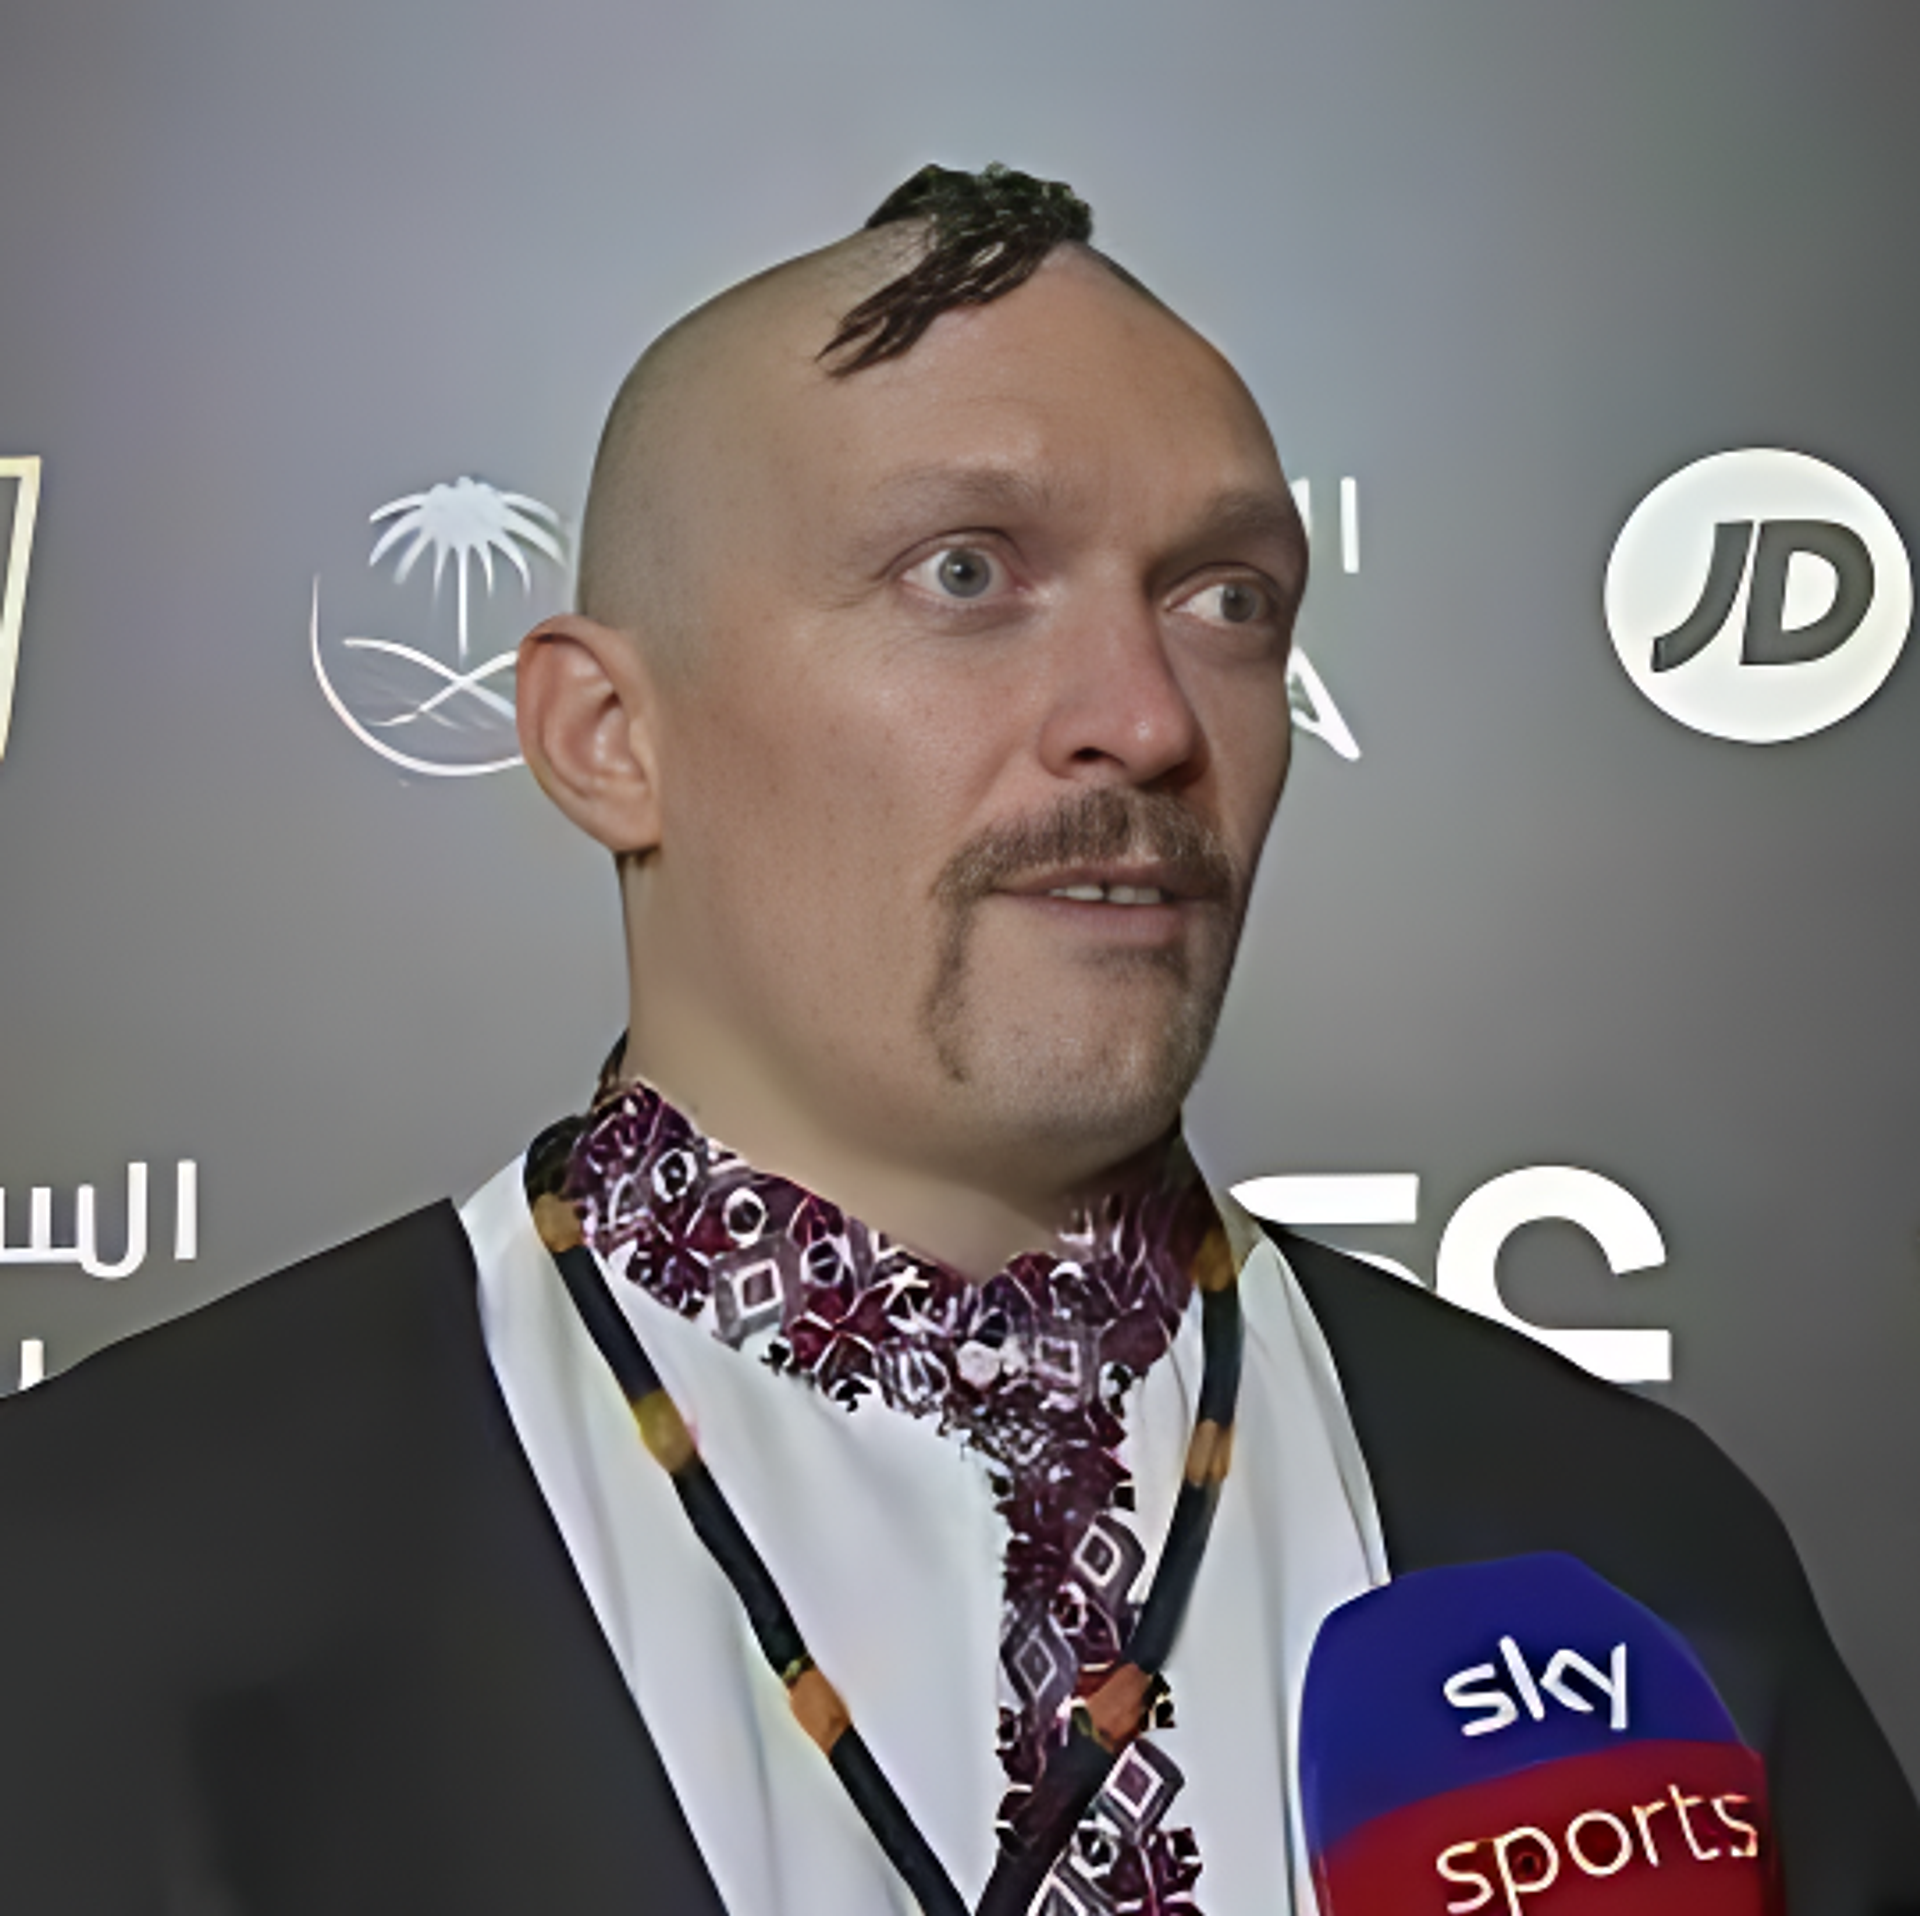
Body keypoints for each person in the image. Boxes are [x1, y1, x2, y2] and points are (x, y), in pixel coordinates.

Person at [0, 164, 1914, 1916]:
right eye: (967, 574)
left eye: (1227, 599)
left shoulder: (1626, 1559)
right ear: (607, 738)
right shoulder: (95, 1574)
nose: (1146, 720)